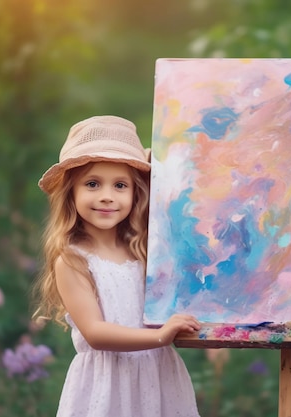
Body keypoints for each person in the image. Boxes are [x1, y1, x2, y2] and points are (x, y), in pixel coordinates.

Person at [32, 115, 201, 417]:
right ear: (71, 192)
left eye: (120, 185)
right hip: (107, 385)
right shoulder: (72, 259)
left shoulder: (145, 250)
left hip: (158, 377)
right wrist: (162, 336)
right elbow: (96, 333)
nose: (107, 196)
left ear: (137, 193)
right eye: (93, 184)